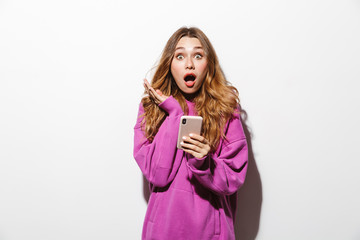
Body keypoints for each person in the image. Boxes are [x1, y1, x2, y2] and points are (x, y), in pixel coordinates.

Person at [133, 27, 248, 240]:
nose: (189, 64)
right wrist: (175, 113)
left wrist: (205, 162)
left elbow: (234, 178)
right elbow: (158, 174)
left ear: (208, 64)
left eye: (198, 55)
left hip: (213, 232)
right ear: (170, 63)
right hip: (163, 230)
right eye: (179, 56)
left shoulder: (225, 109)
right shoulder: (151, 108)